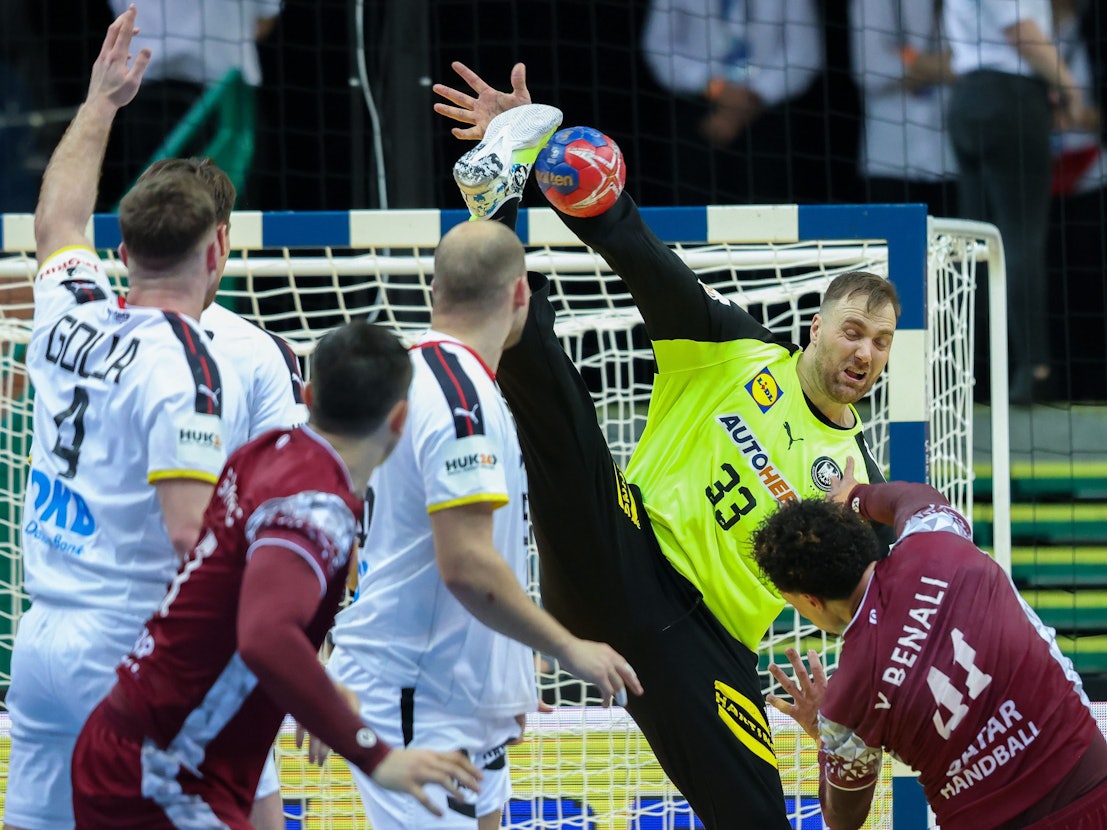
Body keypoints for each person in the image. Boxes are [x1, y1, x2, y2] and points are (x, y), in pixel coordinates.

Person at [432, 63, 900, 829]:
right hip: (627, 554)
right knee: (552, 398)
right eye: (853, 331)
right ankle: (497, 201)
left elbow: (865, 618)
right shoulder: (734, 349)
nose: (864, 353)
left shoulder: (860, 485)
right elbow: (631, 244)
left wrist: (839, 711)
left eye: (880, 343)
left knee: (758, 820)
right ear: (815, 326)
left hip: (711, 649)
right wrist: (542, 142)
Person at [71, 320, 484, 827]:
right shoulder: (316, 507)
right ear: (400, 419)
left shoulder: (263, 453)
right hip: (164, 773)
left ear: (308, 397)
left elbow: (235, 597)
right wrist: (375, 756)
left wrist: (315, 687)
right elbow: (265, 636)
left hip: (136, 741)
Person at [4, 9, 251, 830]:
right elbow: (190, 536)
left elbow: (57, 221)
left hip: (41, 640)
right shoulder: (187, 364)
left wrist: (100, 104)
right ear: (216, 252)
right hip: (124, 647)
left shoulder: (69, 310)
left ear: (121, 252)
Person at [325, 203, 643, 830]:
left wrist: (508, 671)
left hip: (459, 690)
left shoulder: (424, 375)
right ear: (521, 293)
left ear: (435, 290)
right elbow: (466, 564)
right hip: (419, 694)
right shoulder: (459, 397)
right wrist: (569, 647)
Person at [752, 457, 1107, 829]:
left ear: (810, 600)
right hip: (1094, 787)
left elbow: (844, 819)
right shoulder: (936, 539)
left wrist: (822, 732)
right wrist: (855, 496)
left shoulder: (848, 697)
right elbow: (914, 496)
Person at [138, 155, 308, 829]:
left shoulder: (89, 338)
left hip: (109, 627)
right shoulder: (258, 353)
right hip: (206, 632)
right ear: (222, 242)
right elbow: (290, 513)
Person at [943, 0, 1093, 404]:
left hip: (968, 97)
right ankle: (1034, 370)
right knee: (1020, 239)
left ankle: (960, 374)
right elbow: (1021, 31)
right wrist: (1069, 86)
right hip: (1009, 98)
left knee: (972, 244)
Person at [100, 0, 282, 209]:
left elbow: (122, 18)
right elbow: (265, 18)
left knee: (156, 210)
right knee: (215, 210)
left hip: (208, 99)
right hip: (214, 98)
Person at [639, 0, 824, 205]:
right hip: (698, 113)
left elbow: (803, 52)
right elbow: (659, 46)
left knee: (767, 203)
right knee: (695, 203)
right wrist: (716, 88)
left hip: (768, 116)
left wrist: (754, 96)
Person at [849, 0, 959, 216]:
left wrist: (910, 63)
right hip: (889, 160)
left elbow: (977, 67)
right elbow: (868, 70)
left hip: (951, 159)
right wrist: (940, 65)